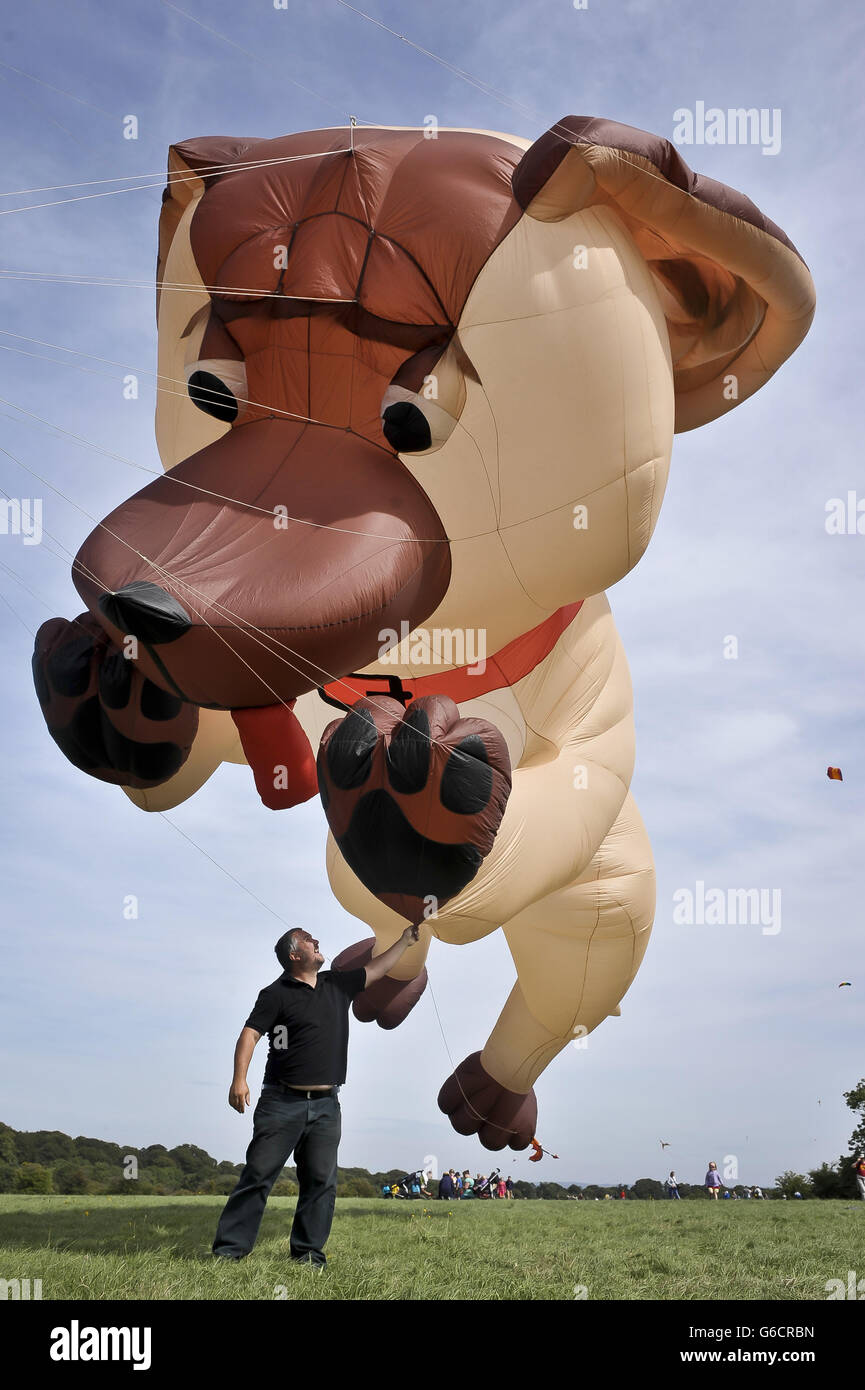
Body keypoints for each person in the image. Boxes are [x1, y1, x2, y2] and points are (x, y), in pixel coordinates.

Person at [212, 923, 419, 1266]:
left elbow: (377, 968)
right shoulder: (274, 994)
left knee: (321, 1181)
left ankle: (308, 1254)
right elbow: (249, 1035)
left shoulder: (336, 984)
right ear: (295, 955)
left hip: (326, 1106)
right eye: (309, 940)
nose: (317, 941)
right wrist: (239, 1080)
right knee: (258, 1176)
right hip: (281, 1102)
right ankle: (229, 1251)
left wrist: (404, 942)